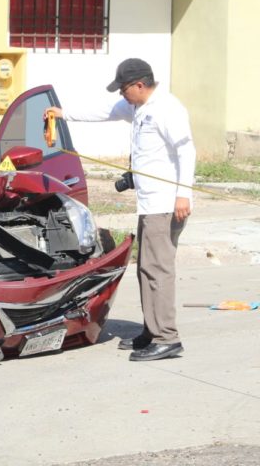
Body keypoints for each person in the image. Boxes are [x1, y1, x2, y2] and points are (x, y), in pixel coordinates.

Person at [45, 58, 196, 361]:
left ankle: (167, 337)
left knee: (158, 271)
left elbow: (186, 149)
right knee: (146, 269)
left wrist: (184, 195)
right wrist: (64, 114)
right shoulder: (138, 107)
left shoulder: (168, 108)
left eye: (124, 89)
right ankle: (152, 330)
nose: (122, 95)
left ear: (140, 84)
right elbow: (105, 112)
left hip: (166, 204)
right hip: (150, 203)